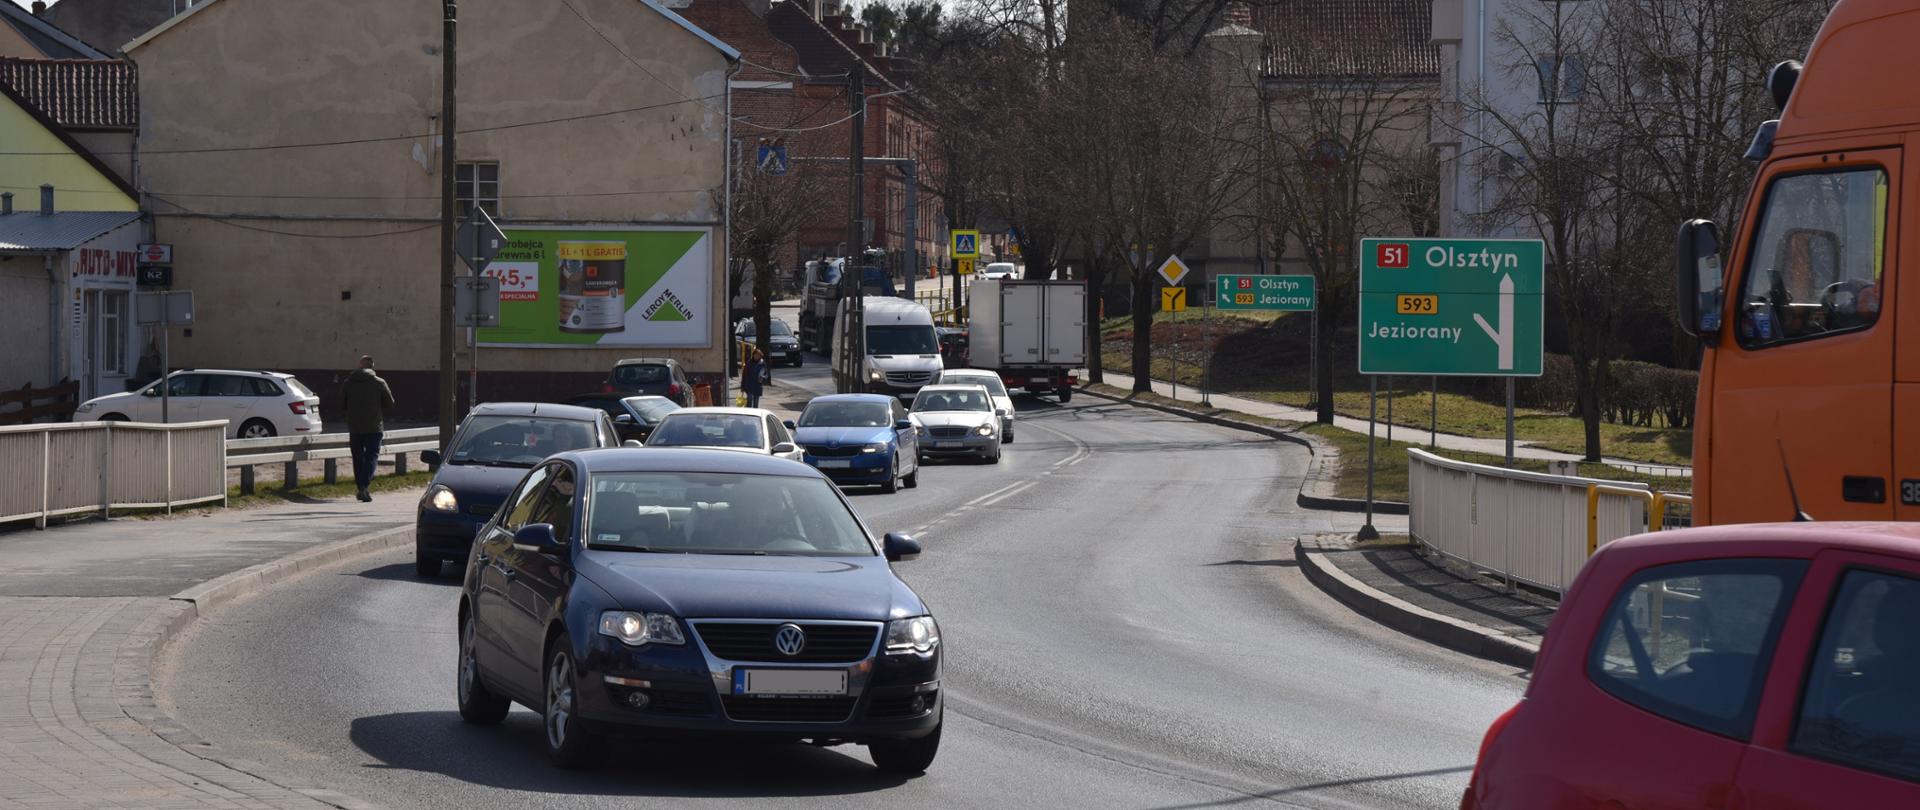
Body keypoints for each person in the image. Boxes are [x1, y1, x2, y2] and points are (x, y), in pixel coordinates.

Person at [340, 355, 395, 502]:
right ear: (372, 367)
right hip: (374, 426)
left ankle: (360, 487)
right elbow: (390, 403)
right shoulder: (379, 382)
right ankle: (364, 486)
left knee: (357, 457)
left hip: (355, 426)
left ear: (359, 366)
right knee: (371, 456)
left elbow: (342, 404)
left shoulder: (348, 383)